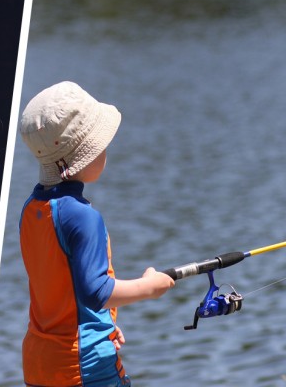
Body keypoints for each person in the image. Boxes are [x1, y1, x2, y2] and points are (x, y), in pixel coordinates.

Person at [17, 81, 176, 387]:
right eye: (101, 144)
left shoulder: (31, 210)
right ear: (83, 155)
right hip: (83, 366)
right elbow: (96, 291)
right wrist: (149, 287)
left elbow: (61, 290)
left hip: (39, 362)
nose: (105, 151)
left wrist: (102, 326)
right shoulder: (83, 216)